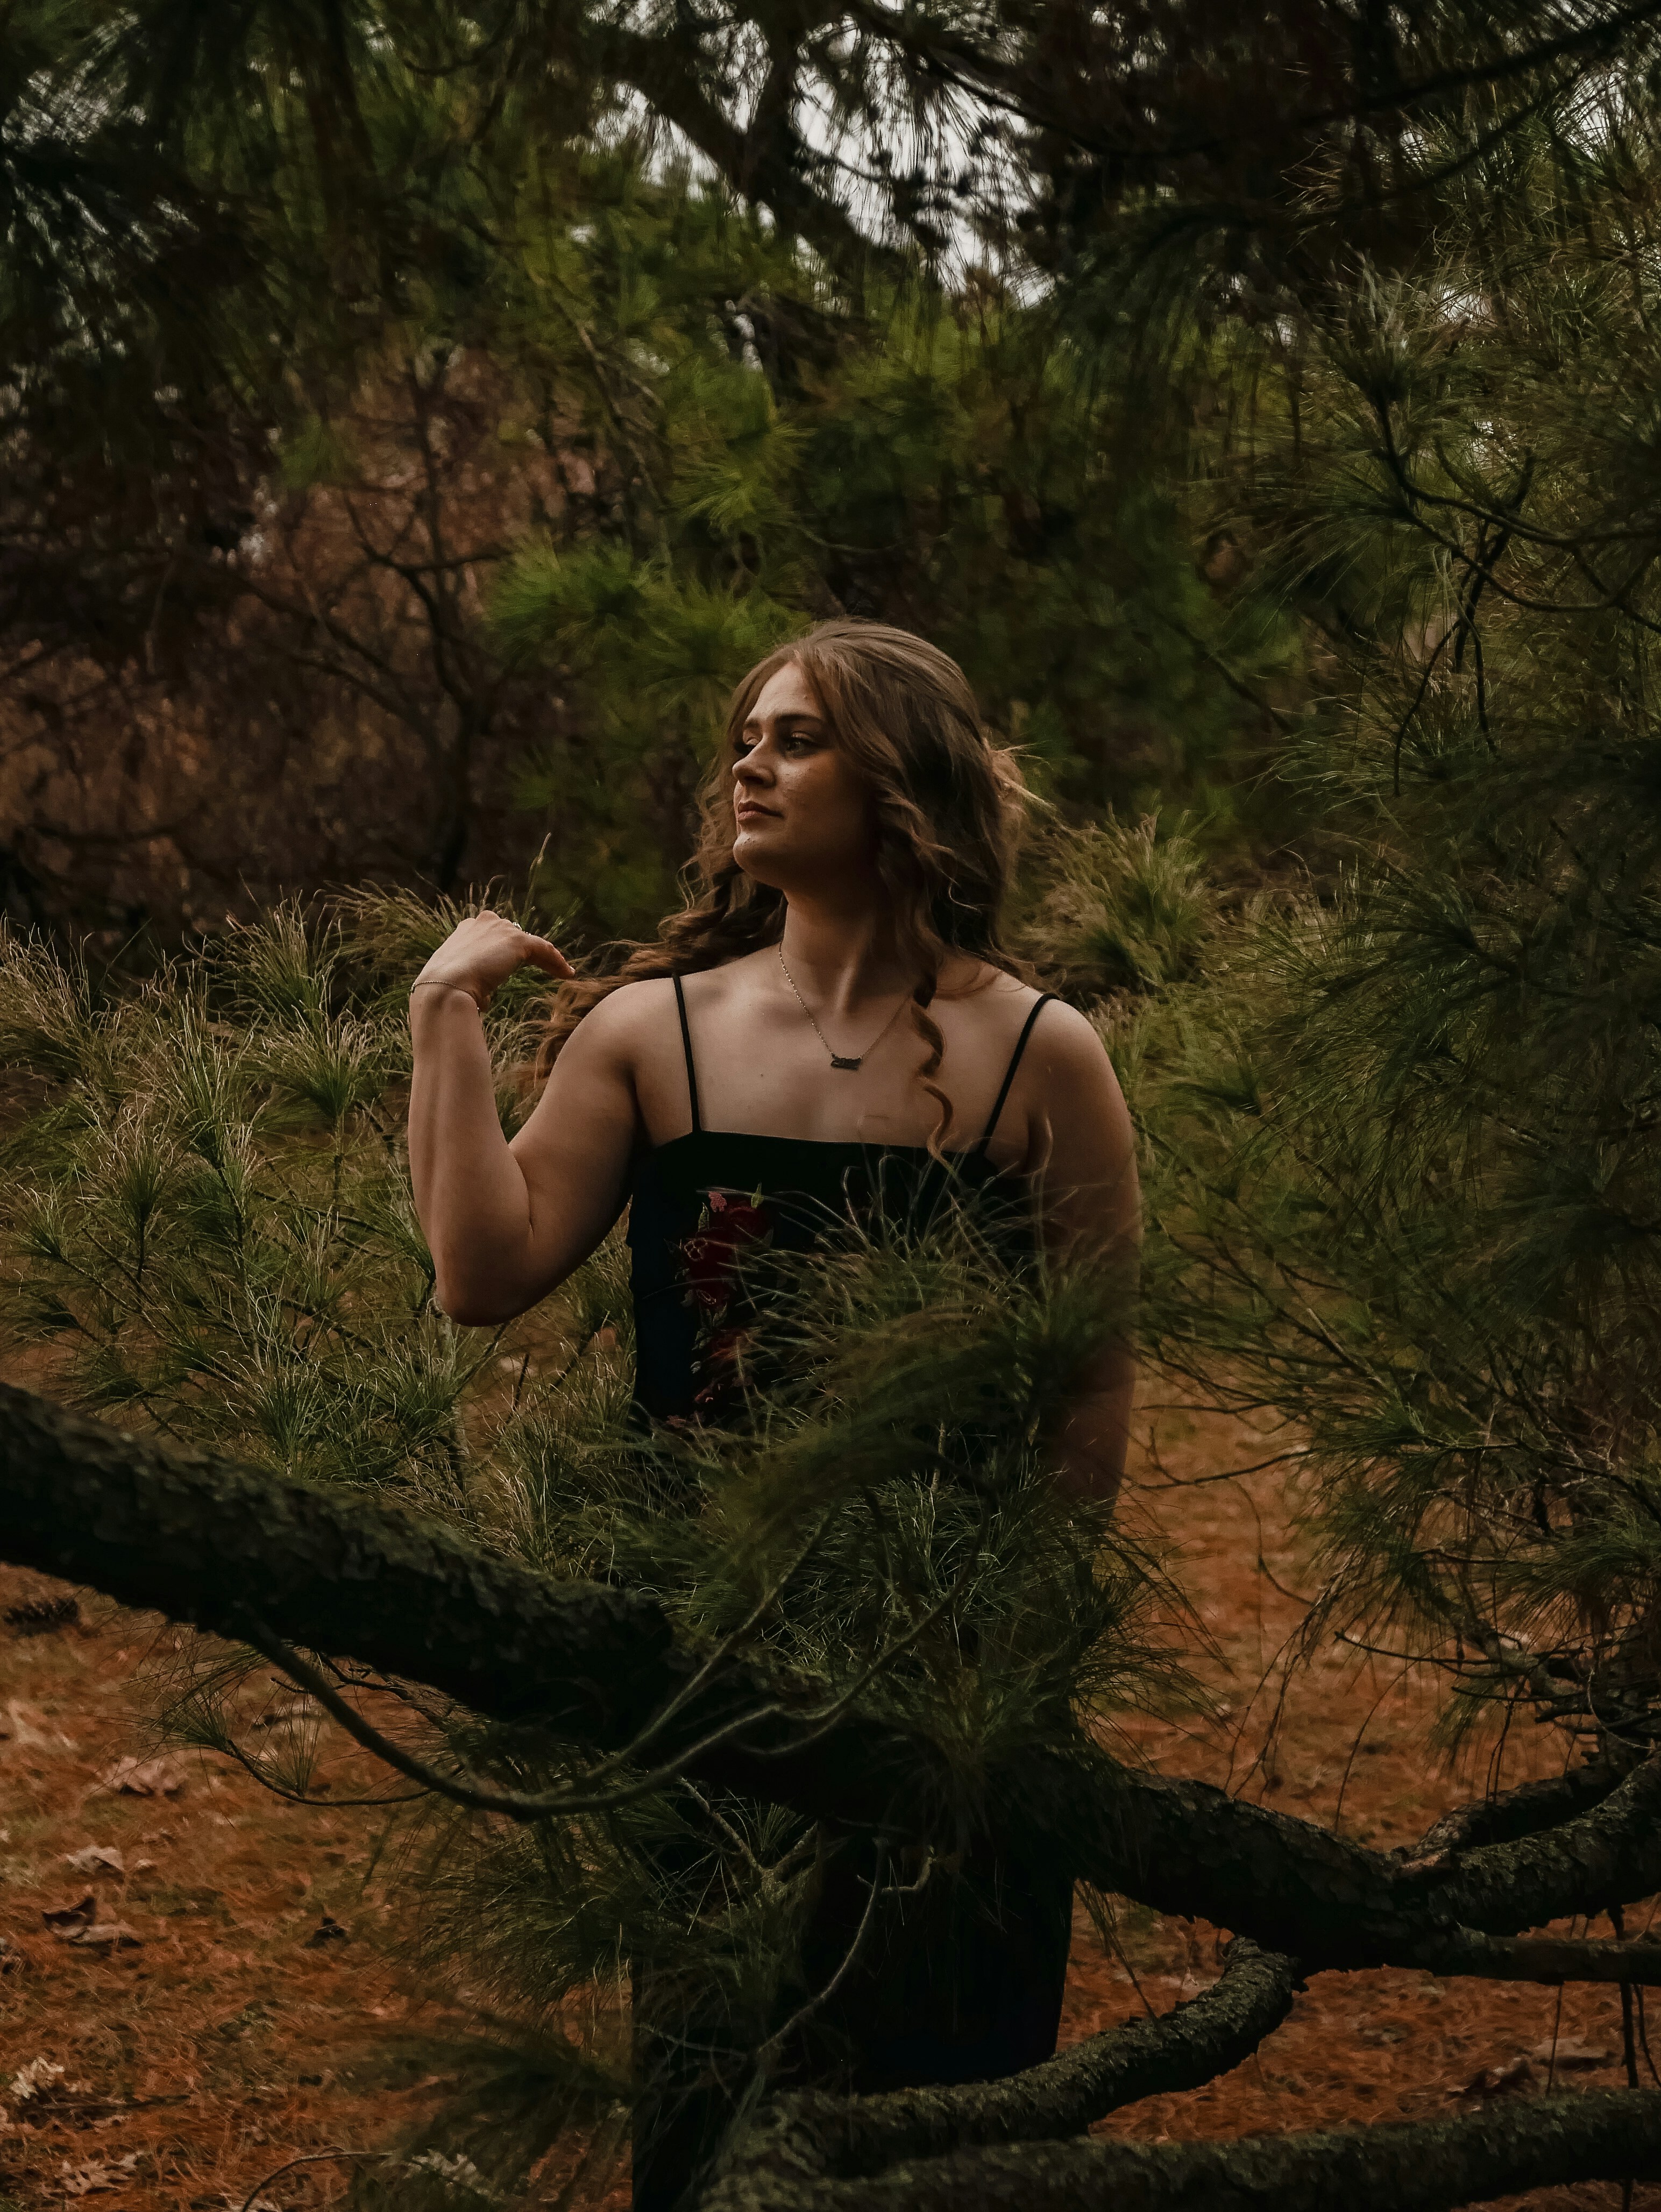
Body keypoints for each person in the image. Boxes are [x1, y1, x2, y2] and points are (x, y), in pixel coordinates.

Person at [406, 619, 1140, 2208]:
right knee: (718, 2099)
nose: (751, 759)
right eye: (747, 733)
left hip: (949, 1671)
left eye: (797, 735)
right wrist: (442, 1016)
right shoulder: (652, 1032)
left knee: (955, 2112)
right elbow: (481, 1273)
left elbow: (1089, 1382)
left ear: (904, 777)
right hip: (707, 1656)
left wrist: (1017, 1658)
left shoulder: (1042, 1055)